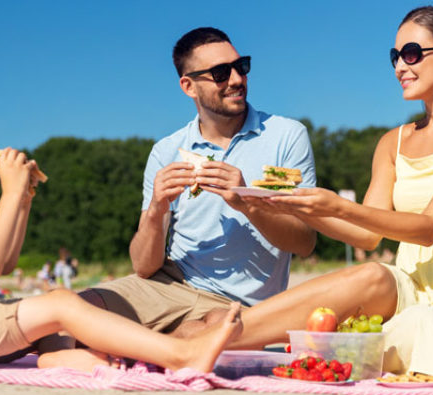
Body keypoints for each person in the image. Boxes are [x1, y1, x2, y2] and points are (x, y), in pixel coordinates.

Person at [0, 65, 242, 372]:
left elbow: (4, 263)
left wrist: (21, 200)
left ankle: (55, 358)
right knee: (61, 305)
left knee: (56, 306)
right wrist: (9, 192)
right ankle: (181, 355)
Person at [234, 6, 433, 380]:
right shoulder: (393, 142)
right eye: (395, 56)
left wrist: (338, 205)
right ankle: (225, 332)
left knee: (420, 326)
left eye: (412, 53)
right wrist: (287, 203)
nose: (400, 66)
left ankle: (224, 339)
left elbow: (431, 226)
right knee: (371, 275)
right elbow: (366, 236)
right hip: (407, 293)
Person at [79, 27, 317, 336]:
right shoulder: (166, 151)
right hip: (169, 286)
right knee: (71, 312)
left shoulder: (286, 136)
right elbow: (143, 267)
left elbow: (304, 243)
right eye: (220, 73)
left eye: (240, 66)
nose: (236, 79)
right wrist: (155, 209)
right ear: (189, 87)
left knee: (203, 331)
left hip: (238, 306)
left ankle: (145, 348)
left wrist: (248, 205)